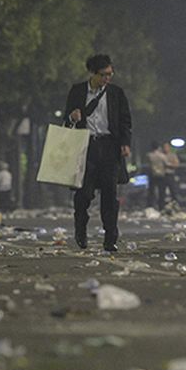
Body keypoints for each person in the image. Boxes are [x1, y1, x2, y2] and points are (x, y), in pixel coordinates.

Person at [65, 54, 132, 251]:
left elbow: (125, 121)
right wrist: (72, 116)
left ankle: (110, 237)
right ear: (92, 73)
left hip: (109, 147)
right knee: (84, 193)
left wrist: (125, 143)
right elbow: (67, 121)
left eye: (110, 74)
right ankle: (80, 229)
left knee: (110, 195)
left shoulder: (116, 93)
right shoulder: (77, 91)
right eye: (103, 75)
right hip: (85, 146)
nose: (107, 78)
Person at [145, 141, 181, 210]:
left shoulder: (171, 155)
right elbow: (167, 164)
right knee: (161, 192)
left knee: (171, 191)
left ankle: (172, 206)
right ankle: (161, 207)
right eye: (164, 147)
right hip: (162, 175)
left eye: (166, 147)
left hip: (167, 175)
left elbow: (176, 164)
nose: (165, 148)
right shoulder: (161, 156)